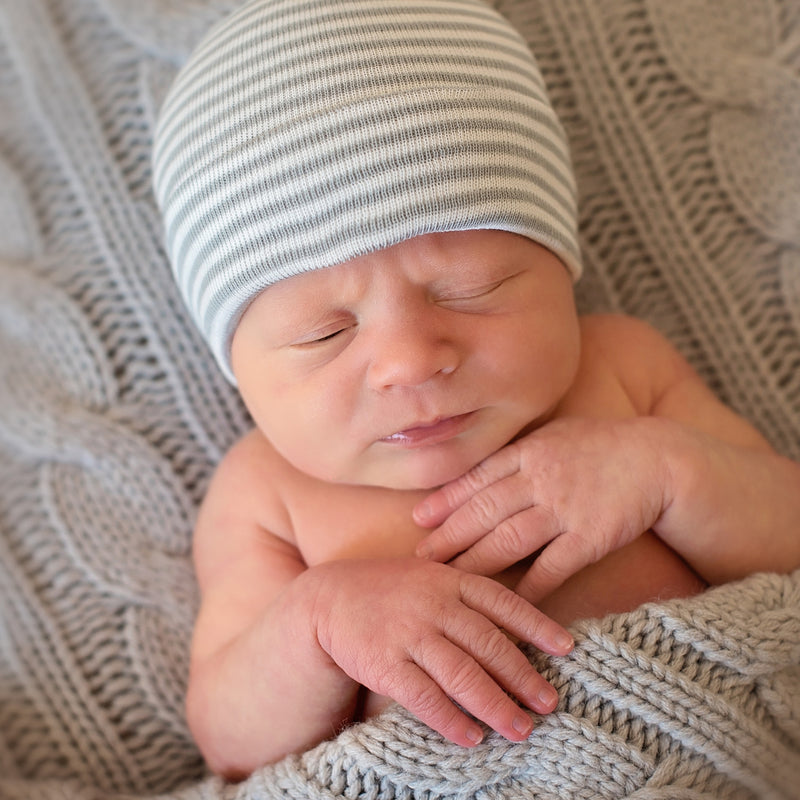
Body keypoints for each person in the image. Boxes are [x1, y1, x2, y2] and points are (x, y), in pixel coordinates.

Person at [152, 0, 800, 781]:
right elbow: (231, 741)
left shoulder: (624, 369)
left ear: (561, 266)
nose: (410, 363)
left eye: (471, 288)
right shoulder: (266, 493)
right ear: (239, 364)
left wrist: (668, 474)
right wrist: (315, 624)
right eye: (324, 334)